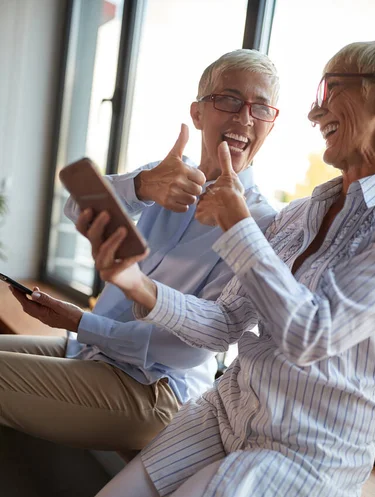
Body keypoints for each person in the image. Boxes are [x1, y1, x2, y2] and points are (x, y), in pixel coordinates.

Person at [3, 39, 375, 497]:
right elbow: (221, 324)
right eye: (227, 100)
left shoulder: (299, 217)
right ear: (198, 112)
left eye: (330, 89)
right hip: (221, 414)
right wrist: (133, 276)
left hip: (284, 455)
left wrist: (236, 225)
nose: (316, 110)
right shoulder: (308, 208)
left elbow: (313, 334)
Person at [0, 49, 279, 450]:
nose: (244, 117)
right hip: (91, 350)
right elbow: (76, 205)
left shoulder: (261, 224)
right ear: (198, 114)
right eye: (229, 99)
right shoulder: (163, 174)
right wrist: (142, 185)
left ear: (272, 123)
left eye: (260, 107)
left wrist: (82, 321)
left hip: (156, 387)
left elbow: (187, 350)